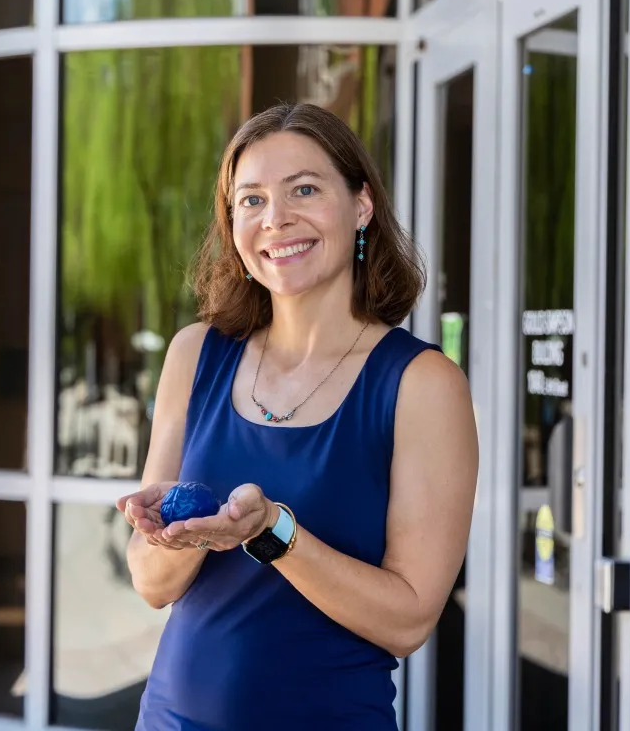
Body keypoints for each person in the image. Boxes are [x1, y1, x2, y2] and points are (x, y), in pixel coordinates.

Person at [116, 102, 478, 730]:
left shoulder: (422, 384)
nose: (276, 219)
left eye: (304, 189)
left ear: (361, 206)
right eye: (250, 201)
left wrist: (274, 534)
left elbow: (409, 620)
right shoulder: (195, 354)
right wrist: (187, 534)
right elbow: (152, 584)